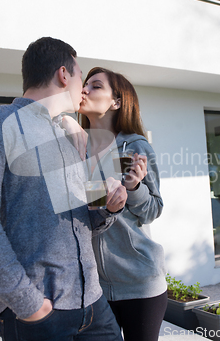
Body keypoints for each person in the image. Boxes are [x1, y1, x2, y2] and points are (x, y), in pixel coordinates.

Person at [0, 38, 127, 341]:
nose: (83, 88)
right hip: (40, 313)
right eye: (80, 77)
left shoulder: (68, 135)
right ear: (64, 75)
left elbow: (78, 214)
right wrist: (29, 305)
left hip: (93, 303)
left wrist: (109, 205)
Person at [78, 67, 167, 341]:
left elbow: (153, 210)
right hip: (95, 287)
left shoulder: (133, 147)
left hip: (139, 283)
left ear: (116, 102)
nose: (85, 90)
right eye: (85, 84)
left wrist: (134, 188)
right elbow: (87, 213)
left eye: (95, 86)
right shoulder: (76, 149)